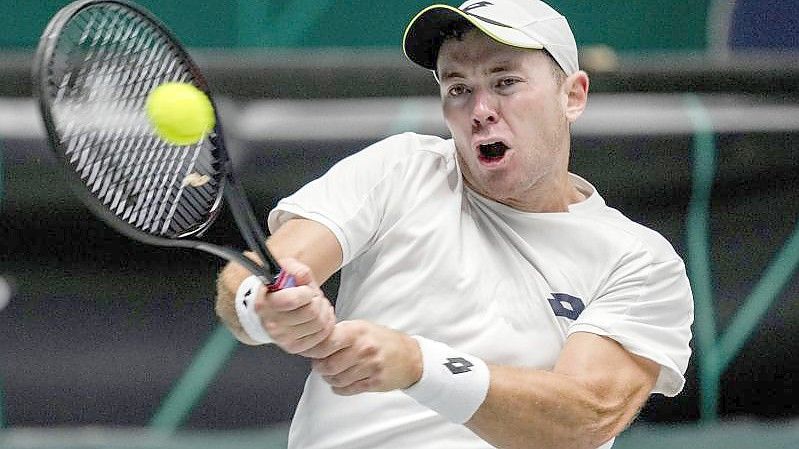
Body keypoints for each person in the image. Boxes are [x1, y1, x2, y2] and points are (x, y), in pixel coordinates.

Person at [216, 1, 694, 448]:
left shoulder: (640, 260)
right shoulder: (401, 168)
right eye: (458, 88)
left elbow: (587, 416)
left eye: (505, 82)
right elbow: (258, 272)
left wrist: (420, 365)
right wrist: (264, 307)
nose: (480, 110)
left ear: (572, 95)